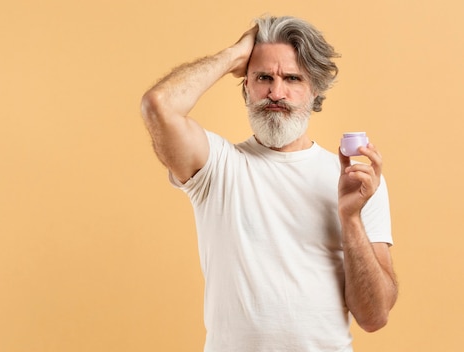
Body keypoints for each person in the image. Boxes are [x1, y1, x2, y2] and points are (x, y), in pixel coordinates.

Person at [140, 15, 398, 351]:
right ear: (246, 85)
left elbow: (374, 316)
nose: (276, 92)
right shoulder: (217, 167)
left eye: (292, 78)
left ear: (314, 90)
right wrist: (236, 54)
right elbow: (159, 105)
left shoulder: (355, 182)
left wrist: (350, 219)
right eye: (263, 77)